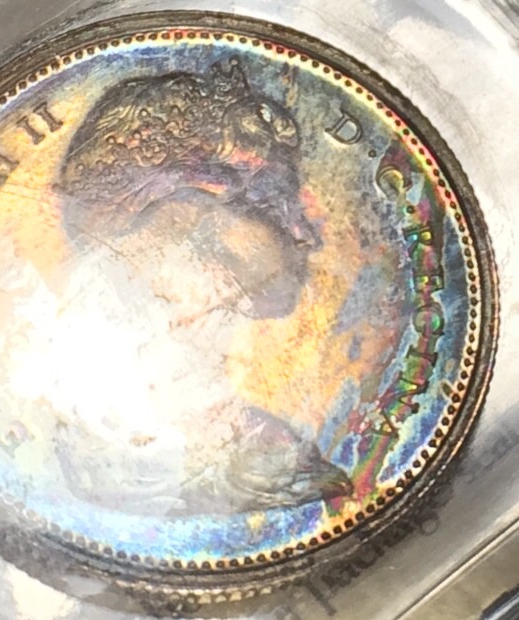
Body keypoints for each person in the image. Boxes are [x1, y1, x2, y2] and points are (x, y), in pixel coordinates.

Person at [50, 57, 352, 517]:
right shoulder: (109, 454)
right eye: (274, 199)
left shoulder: (271, 450)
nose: (304, 233)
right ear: (185, 213)